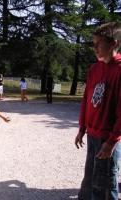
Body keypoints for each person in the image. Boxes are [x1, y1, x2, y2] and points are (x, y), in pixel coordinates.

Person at [75, 22, 121, 200]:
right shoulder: (94, 69)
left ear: (113, 44)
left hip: (108, 138)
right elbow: (87, 100)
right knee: (90, 178)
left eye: (98, 43)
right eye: (93, 43)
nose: (94, 48)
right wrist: (81, 128)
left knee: (106, 184)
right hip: (92, 135)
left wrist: (111, 142)